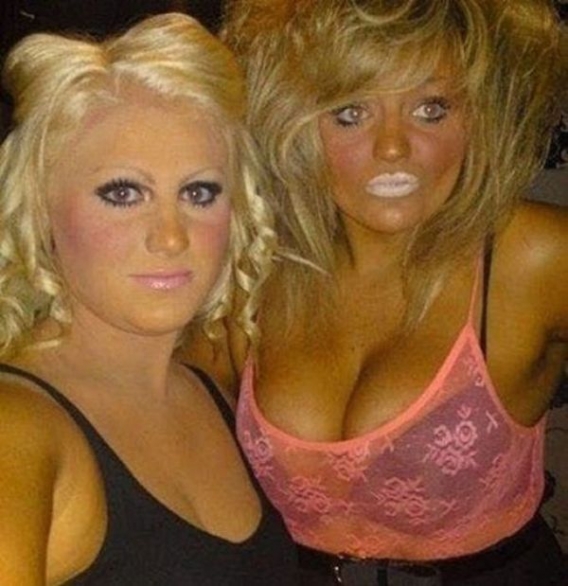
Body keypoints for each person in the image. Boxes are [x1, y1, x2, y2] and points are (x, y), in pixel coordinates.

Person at [183, 0, 568, 584]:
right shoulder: (251, 271)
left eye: (431, 109)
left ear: (479, 115)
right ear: (295, 122)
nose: (393, 146)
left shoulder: (530, 257)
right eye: (350, 112)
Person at [0, 12, 298, 585]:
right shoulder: (18, 427)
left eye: (199, 192)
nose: (171, 236)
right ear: (40, 209)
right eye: (123, 193)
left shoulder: (207, 387)